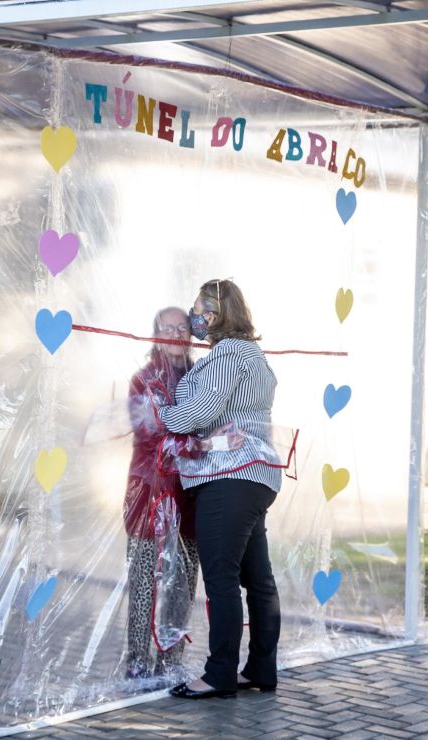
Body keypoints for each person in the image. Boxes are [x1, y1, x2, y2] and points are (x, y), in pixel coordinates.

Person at [158, 279, 282, 700]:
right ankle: (260, 669)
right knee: (257, 579)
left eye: (197, 310)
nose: (193, 319)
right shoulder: (254, 356)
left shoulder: (228, 356)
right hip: (256, 476)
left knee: (222, 579)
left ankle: (219, 674)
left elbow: (196, 413)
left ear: (213, 315)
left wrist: (163, 410)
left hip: (229, 475)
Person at [123, 307, 201, 680]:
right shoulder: (142, 380)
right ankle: (136, 661)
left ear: (189, 334)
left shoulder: (202, 380)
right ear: (155, 333)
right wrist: (194, 437)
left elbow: (207, 429)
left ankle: (170, 662)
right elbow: (150, 432)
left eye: (180, 326)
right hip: (148, 496)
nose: (173, 332)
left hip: (189, 499)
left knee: (182, 584)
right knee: (142, 583)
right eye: (166, 327)